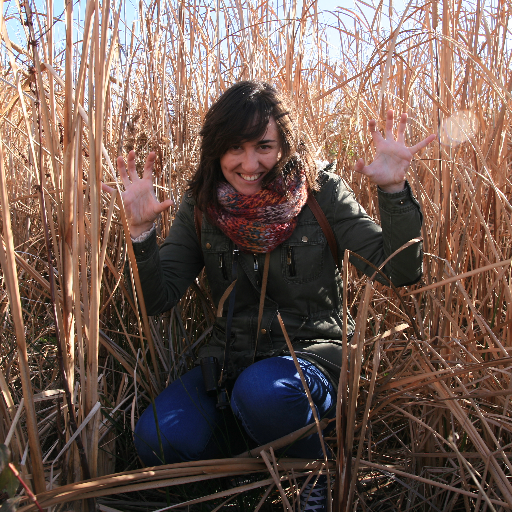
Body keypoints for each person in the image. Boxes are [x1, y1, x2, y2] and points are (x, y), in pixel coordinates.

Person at [104, 80, 435, 510]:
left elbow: (399, 271)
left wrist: (393, 192)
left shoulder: (319, 192)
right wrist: (141, 234)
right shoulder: (202, 204)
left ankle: (315, 472)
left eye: (263, 146)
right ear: (215, 149)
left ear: (284, 144)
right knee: (156, 438)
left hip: (312, 362)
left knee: (264, 392)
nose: (248, 163)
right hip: (231, 366)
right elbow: (158, 298)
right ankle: (256, 454)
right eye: (234, 148)